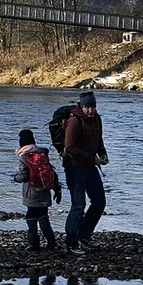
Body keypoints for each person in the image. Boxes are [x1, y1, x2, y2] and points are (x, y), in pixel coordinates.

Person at [62, 90, 109, 255]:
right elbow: (70, 148)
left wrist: (102, 153)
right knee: (78, 205)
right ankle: (71, 242)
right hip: (74, 168)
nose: (90, 110)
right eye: (87, 107)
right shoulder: (74, 122)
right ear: (81, 106)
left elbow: (98, 140)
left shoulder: (97, 119)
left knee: (99, 203)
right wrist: (92, 159)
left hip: (90, 168)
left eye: (93, 107)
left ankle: (84, 234)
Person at [13, 127, 62, 253]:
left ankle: (34, 243)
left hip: (31, 192)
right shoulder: (42, 153)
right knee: (43, 215)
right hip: (45, 190)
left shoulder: (24, 156)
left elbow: (23, 176)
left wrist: (14, 178)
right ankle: (51, 241)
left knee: (31, 215)